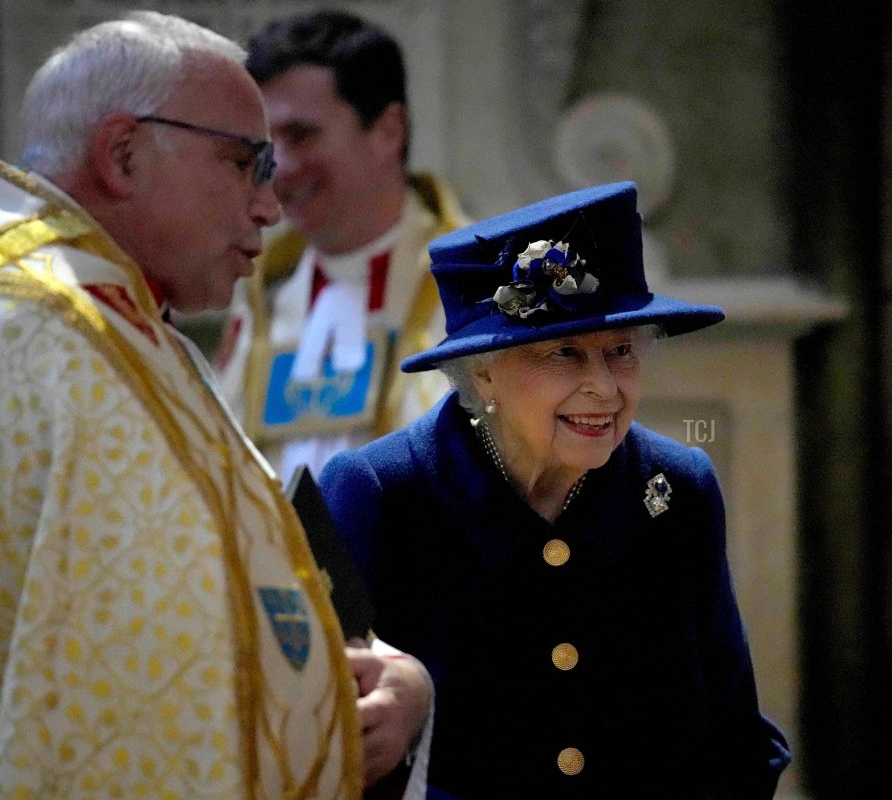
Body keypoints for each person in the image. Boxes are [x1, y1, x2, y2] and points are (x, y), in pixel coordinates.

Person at [0, 11, 428, 798]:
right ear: (123, 153)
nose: (270, 206)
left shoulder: (123, 327)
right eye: (247, 163)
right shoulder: (55, 336)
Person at [319, 181, 792, 798]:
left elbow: (734, 743)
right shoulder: (377, 494)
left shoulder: (676, 488)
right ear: (482, 370)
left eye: (620, 351)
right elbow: (337, 747)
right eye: (564, 353)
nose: (604, 387)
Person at [214, 10, 467, 485]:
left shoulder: (482, 280)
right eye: (266, 145)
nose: (280, 168)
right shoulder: (262, 288)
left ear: (387, 131)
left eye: (302, 135)